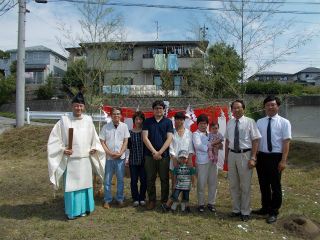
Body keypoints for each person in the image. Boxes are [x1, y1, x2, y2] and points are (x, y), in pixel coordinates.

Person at [47, 91, 106, 220]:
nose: (78, 108)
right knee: (72, 186)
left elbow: (94, 138)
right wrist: (63, 149)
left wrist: (94, 148)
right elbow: (54, 140)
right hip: (71, 160)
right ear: (71, 106)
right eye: (76, 105)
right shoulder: (64, 121)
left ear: (84, 107)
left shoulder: (88, 120)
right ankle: (72, 211)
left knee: (85, 185)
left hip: (85, 159)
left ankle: (85, 208)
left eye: (81, 106)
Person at [252, 96, 291, 224]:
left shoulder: (284, 122)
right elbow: (256, 140)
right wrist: (255, 156)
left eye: (273, 105)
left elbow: (286, 142)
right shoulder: (260, 122)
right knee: (263, 184)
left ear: (278, 106)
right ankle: (265, 207)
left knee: (275, 185)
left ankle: (274, 211)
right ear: (264, 107)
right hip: (262, 156)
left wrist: (283, 160)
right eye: (268, 105)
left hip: (276, 156)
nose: (270, 107)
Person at [224, 100, 261, 222]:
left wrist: (253, 158)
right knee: (233, 185)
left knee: (245, 185)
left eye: (238, 107)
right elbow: (228, 141)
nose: (236, 110)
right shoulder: (229, 123)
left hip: (245, 155)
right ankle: (236, 209)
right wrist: (226, 156)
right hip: (232, 155)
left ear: (243, 109)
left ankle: (245, 211)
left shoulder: (250, 122)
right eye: (234, 108)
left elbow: (255, 140)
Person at [142, 100, 174, 210]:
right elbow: (145, 137)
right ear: (153, 109)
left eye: (161, 108)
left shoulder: (168, 122)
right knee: (150, 178)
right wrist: (154, 152)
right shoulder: (147, 121)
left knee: (164, 178)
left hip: (163, 155)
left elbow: (169, 138)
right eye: (156, 108)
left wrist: (159, 152)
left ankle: (164, 200)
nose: (159, 110)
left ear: (164, 110)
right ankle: (152, 200)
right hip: (149, 155)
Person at [99, 107, 130, 209]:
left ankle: (120, 198)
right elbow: (102, 142)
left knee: (120, 179)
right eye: (114, 114)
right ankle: (107, 199)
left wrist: (121, 153)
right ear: (110, 115)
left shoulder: (124, 126)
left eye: (118, 114)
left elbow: (125, 141)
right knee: (107, 179)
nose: (116, 116)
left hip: (120, 157)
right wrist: (109, 152)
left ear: (121, 115)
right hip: (109, 157)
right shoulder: (106, 127)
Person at [192, 114, 218, 213]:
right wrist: (211, 148)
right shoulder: (196, 134)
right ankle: (201, 204)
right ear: (198, 124)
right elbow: (198, 146)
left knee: (213, 183)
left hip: (213, 162)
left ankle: (211, 202)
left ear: (208, 124)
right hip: (202, 162)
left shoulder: (212, 133)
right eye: (201, 124)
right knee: (201, 183)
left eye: (205, 123)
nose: (203, 125)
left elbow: (218, 143)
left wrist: (217, 146)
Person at [169, 112, 194, 211]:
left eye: (181, 119)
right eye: (177, 119)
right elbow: (170, 146)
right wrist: (174, 159)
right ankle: (174, 201)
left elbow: (191, 147)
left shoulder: (189, 133)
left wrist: (190, 160)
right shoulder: (172, 132)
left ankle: (184, 202)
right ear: (174, 120)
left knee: (185, 182)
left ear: (184, 120)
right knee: (174, 181)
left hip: (186, 162)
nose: (179, 121)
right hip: (174, 161)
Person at [162, 150, 195, 214]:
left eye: (184, 158)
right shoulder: (177, 167)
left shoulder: (189, 167)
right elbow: (174, 175)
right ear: (179, 158)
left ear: (187, 158)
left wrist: (193, 183)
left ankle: (186, 207)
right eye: (181, 158)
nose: (182, 160)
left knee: (186, 197)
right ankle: (166, 205)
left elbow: (192, 175)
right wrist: (174, 183)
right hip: (178, 185)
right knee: (174, 195)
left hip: (186, 186)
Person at [127, 111, 147, 207]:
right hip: (133, 159)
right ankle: (135, 198)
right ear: (134, 120)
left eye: (140, 119)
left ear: (143, 120)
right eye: (137, 119)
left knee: (144, 180)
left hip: (144, 160)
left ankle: (142, 198)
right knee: (134, 180)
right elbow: (128, 146)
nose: (138, 121)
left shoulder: (145, 132)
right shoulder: (129, 132)